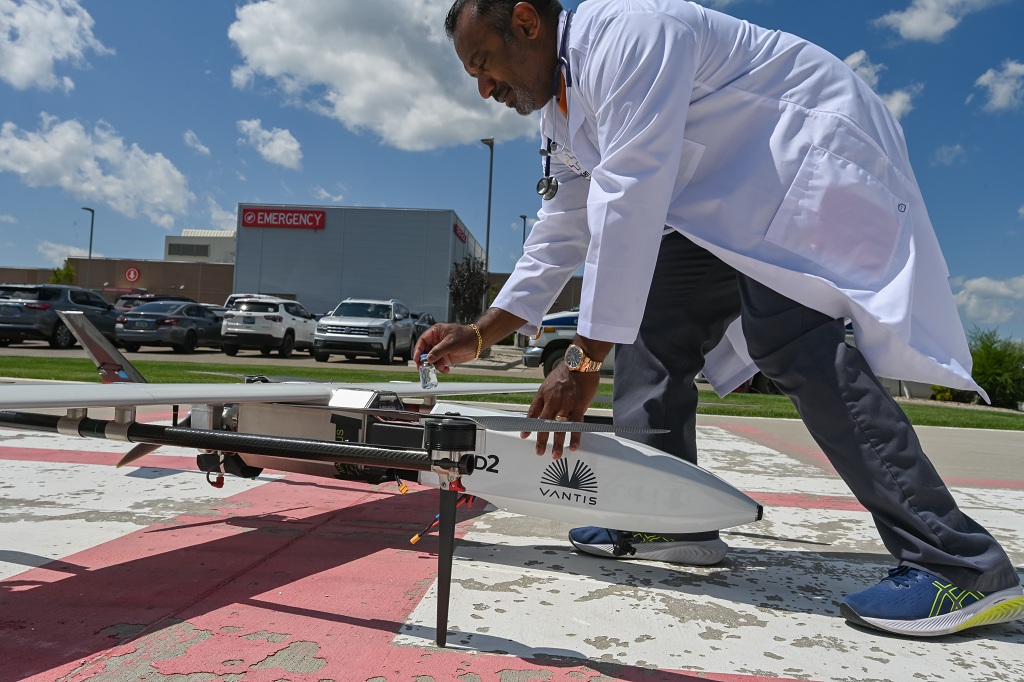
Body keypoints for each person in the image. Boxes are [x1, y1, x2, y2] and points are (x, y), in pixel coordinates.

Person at [416, 0, 1024, 637]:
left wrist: (584, 359)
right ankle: (667, 520)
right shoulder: (559, 112)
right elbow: (564, 225)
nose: (484, 88)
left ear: (526, 22)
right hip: (711, 202)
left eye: (484, 63)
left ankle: (957, 562)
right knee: (652, 326)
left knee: (790, 340)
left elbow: (628, 201)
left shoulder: (628, 36)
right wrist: (480, 333)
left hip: (797, 157)